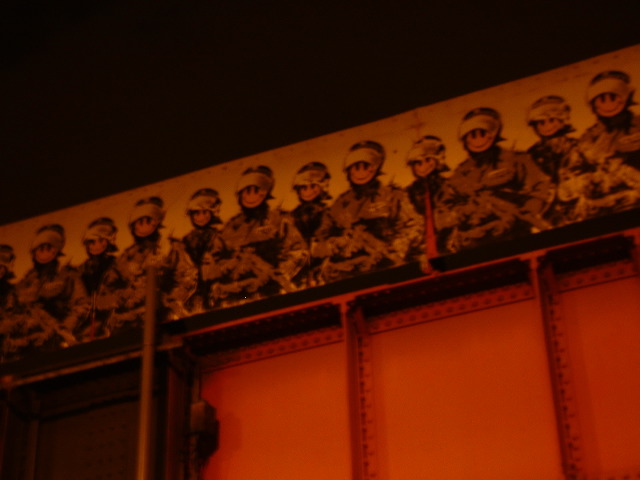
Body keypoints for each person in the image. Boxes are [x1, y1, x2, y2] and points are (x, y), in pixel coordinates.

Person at [438, 107, 551, 251]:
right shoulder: (460, 173)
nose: (478, 139)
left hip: (515, 235)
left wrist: (521, 215)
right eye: (472, 135)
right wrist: (465, 212)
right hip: (475, 240)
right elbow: (445, 207)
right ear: (465, 139)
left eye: (482, 133)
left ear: (494, 134)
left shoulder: (516, 160)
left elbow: (540, 188)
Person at [312, 140, 423, 282]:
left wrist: (395, 247)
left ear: (376, 168)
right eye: (356, 167)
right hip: (347, 272)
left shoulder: (392, 196)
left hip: (387, 268)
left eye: (366, 167)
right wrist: (336, 244)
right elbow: (318, 242)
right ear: (349, 170)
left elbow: (414, 225)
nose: (360, 172)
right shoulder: (340, 204)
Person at [212, 166, 308, 306]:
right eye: (247, 191)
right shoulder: (230, 227)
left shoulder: (278, 220)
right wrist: (233, 266)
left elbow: (298, 251)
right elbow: (215, 261)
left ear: (265, 194)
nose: (251, 196)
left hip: (272, 292)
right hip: (237, 297)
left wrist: (276, 274)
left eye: (256, 191)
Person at [110, 197, 197, 333]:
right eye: (139, 222)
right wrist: (121, 298)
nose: (143, 226)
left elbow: (186, 276)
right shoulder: (126, 257)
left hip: (163, 315)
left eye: (148, 221)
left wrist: (172, 300)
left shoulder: (171, 247)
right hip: (131, 320)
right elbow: (111, 285)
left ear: (156, 223)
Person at [564, 70, 640, 219]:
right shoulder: (588, 138)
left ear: (626, 98)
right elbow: (574, 170)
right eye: (601, 100)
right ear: (593, 104)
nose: (608, 104)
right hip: (600, 206)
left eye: (613, 98)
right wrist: (586, 182)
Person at [15, 224, 90, 352]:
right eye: (40, 248)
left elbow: (81, 304)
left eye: (49, 249)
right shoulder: (27, 281)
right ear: (34, 251)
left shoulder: (68, 275)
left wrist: (65, 328)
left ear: (56, 252)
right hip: (34, 340)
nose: (44, 253)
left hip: (65, 337)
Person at [525, 95, 579, 225]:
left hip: (578, 204)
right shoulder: (531, 154)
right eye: (541, 122)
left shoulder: (579, 146)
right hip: (548, 212)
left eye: (552, 120)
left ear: (563, 120)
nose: (547, 126)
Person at [76, 217, 126, 341]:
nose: (96, 245)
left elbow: (128, 289)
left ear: (108, 242)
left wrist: (111, 301)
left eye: (101, 241)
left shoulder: (118, 264)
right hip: (87, 320)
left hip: (114, 317)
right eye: (92, 242)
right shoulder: (81, 270)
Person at [404, 135, 451, 258]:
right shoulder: (409, 192)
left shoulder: (448, 186)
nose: (423, 166)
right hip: (421, 248)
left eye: (428, 160)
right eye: (418, 163)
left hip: (446, 243)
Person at [182, 188, 227, 312]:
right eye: (196, 213)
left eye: (204, 212)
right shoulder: (187, 239)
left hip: (217, 284)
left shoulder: (219, 236)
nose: (200, 217)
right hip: (195, 287)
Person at [290, 162, 332, 287]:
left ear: (322, 187)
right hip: (299, 266)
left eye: (313, 186)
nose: (308, 191)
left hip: (324, 263)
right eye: (303, 187)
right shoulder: (292, 216)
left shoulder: (329, 212)